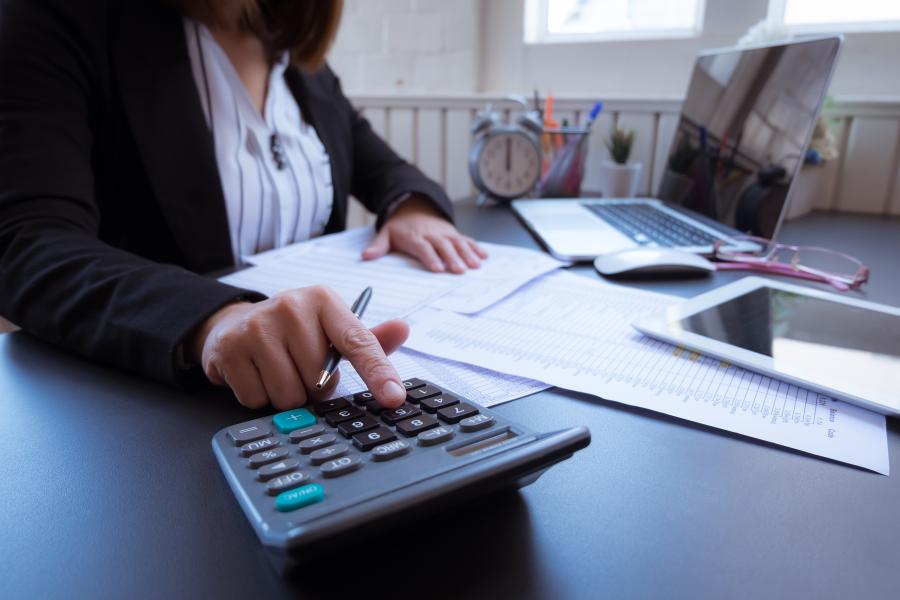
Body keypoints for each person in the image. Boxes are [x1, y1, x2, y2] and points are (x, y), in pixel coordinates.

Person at [0, 0, 487, 411]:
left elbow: (375, 161)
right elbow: (27, 242)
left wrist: (411, 206)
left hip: (314, 405)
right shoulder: (58, 18)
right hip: (150, 413)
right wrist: (212, 320)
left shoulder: (290, 51)